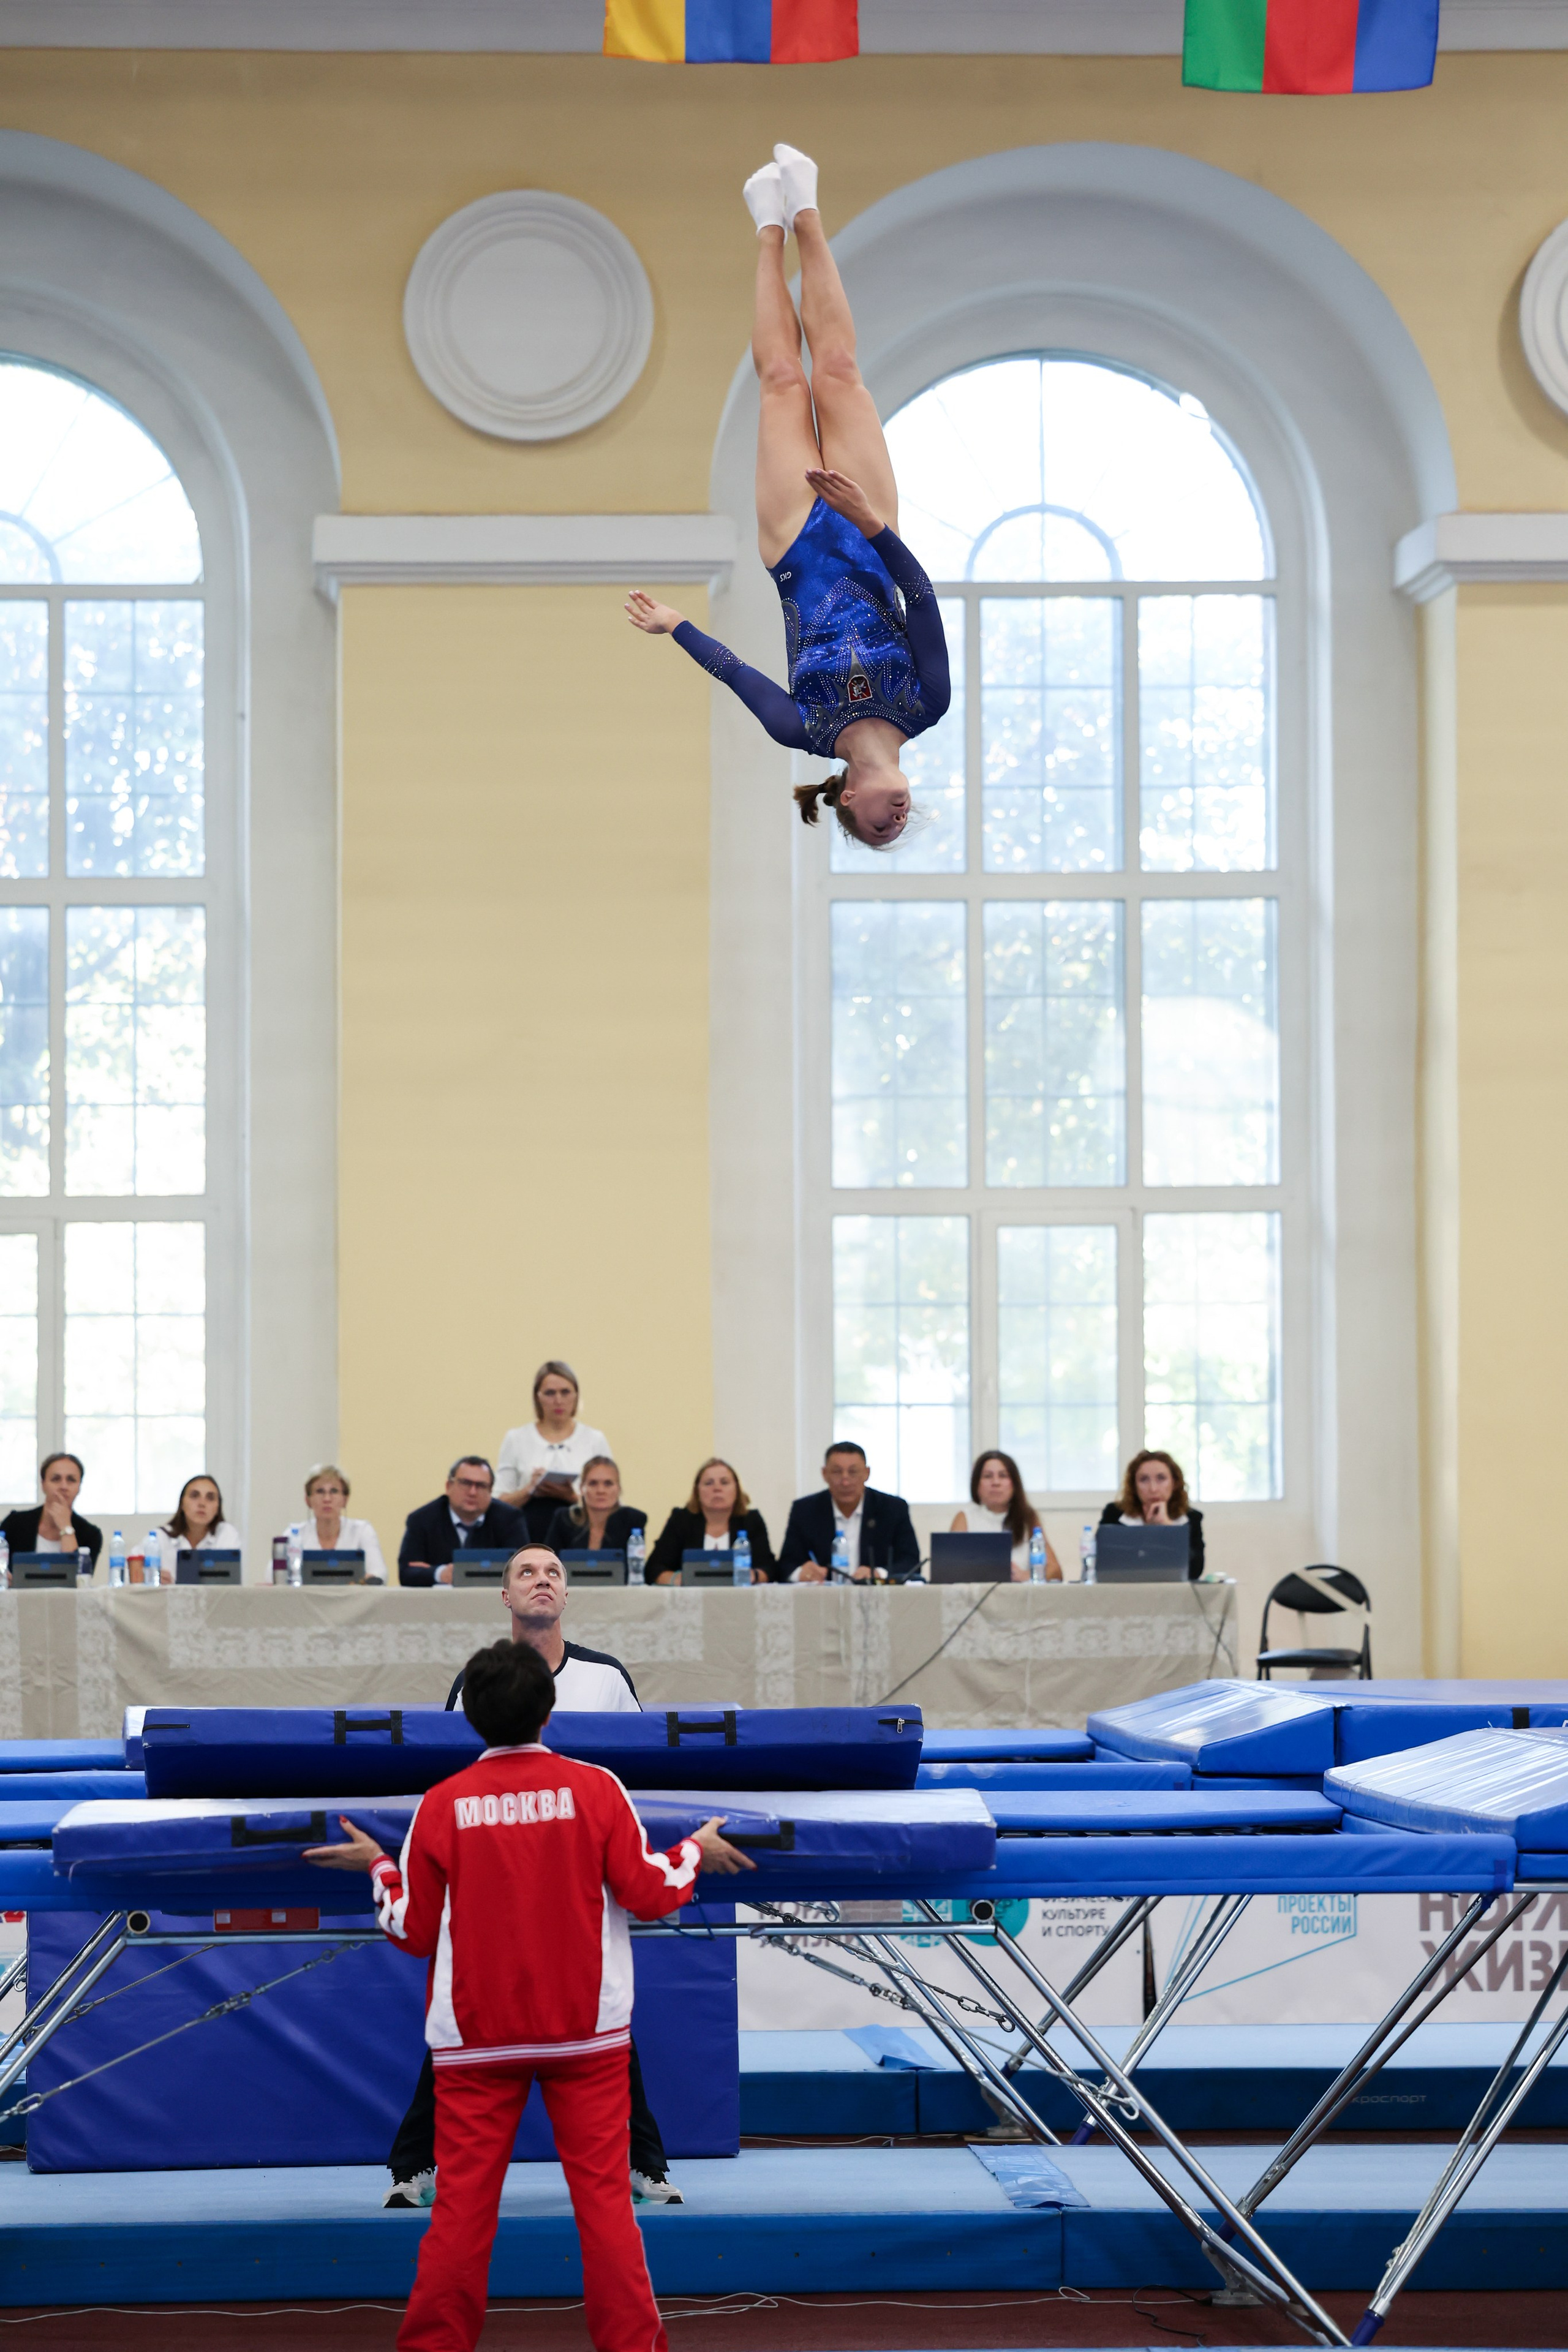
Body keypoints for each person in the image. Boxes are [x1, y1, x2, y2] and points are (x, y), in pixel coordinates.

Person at [306, 1638, 752, 2352]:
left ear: (470, 1718)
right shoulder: (597, 1788)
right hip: (586, 2038)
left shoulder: (442, 1804)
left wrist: (381, 1869)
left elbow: (412, 1929)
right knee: (606, 2209)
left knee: (460, 2214)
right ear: (551, 1711)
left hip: (476, 2042)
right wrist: (696, 1848)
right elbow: (651, 1890)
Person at [625, 144, 949, 852]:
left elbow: (734, 671)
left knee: (781, 382)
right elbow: (920, 598)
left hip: (795, 544)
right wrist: (871, 524)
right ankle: (806, 210)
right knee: (836, 372)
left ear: (850, 798)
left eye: (875, 827)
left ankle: (767, 229)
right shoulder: (928, 704)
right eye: (902, 823)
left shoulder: (799, 728)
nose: (894, 821)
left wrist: (677, 625)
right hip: (871, 532)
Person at [385, 1545, 679, 2211]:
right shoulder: (478, 1681)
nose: (541, 1581)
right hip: (494, 1878)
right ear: (505, 1597)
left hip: (578, 1877)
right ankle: (412, 2165)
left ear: (567, 1595)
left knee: (596, 2021)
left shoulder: (605, 1679)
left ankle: (646, 2164)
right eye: (526, 1572)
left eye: (552, 1573)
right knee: (470, 2017)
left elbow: (647, 1774)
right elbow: (459, 1779)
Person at [496, 1361, 610, 1543]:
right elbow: (498, 1504)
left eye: (565, 1392)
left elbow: (610, 1503)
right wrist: (529, 1490)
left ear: (576, 1396)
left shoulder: (594, 1440)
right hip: (527, 1533)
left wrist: (571, 1497)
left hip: (580, 1535)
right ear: (538, 1397)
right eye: (550, 1393)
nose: (558, 1400)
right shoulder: (516, 1439)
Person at [775, 1441, 919, 1583]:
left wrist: (878, 1573)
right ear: (825, 1474)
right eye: (837, 1472)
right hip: (823, 1599)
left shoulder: (892, 1508)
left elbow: (911, 1562)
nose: (845, 1482)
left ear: (867, 1473)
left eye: (853, 1472)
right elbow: (786, 1564)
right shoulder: (805, 1510)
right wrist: (801, 1573)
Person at [398, 1458, 528, 1589]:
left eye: (481, 1486)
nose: (472, 1492)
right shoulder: (422, 1519)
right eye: (466, 1483)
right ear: (449, 1486)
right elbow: (406, 1573)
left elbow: (524, 1570)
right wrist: (440, 1573)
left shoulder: (510, 1519)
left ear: (491, 1492)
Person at [646, 1458, 774, 1585]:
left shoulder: (751, 1521)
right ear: (697, 1491)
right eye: (709, 1483)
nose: (717, 1488)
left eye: (724, 1483)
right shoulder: (681, 1520)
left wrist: (754, 1576)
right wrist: (675, 1579)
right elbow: (654, 1568)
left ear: (737, 1489)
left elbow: (770, 1568)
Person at [950, 1450, 1060, 1581]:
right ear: (977, 1484)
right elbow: (949, 1570)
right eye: (987, 1476)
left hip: (1019, 1596)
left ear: (1014, 1483)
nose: (996, 1482)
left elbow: (1055, 1570)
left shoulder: (1027, 1517)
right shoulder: (965, 1517)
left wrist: (1027, 1576)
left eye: (1003, 1476)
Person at [1099, 1449, 1205, 1580]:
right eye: (1144, 1480)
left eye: (1161, 1479)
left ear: (1174, 1483)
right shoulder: (1114, 1514)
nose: (1153, 1489)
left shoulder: (1191, 1518)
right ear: (1134, 1486)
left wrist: (1168, 1528)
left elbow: (1195, 1571)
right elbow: (1103, 1563)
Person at [293, 1463, 388, 1585]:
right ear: (308, 1500)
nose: (327, 1499)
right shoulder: (295, 1533)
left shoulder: (362, 1531)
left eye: (334, 1491)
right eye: (320, 1491)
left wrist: (369, 1580)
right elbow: (273, 1576)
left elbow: (379, 1573)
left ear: (345, 1500)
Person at [1, 1452, 101, 1567]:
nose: (63, 1486)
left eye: (71, 1480)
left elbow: (79, 1579)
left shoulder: (91, 1535)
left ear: (79, 1487)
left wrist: (66, 1528)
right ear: (43, 1485)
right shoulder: (15, 1523)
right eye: (56, 1479)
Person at [545, 1455, 647, 1561]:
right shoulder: (564, 1519)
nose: (601, 1491)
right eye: (593, 1483)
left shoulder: (633, 1520)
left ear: (619, 1489)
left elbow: (634, 1567)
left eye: (608, 1484)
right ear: (582, 1488)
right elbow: (548, 1562)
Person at [161, 1475, 243, 1555]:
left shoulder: (226, 1534)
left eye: (210, 1498)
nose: (202, 1504)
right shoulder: (160, 1537)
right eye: (195, 1496)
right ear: (182, 1503)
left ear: (218, 1507)